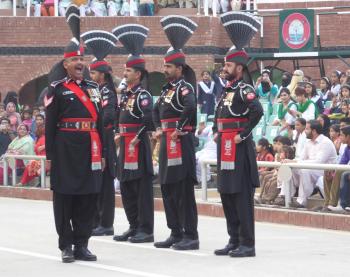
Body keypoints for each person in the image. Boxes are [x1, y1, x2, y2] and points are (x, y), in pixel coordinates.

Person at [45, 5, 104, 263]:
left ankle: (82, 243)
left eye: (82, 59)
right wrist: (49, 156)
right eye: (75, 60)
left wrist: (103, 153)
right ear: (66, 63)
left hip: (90, 148)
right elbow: (49, 125)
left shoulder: (94, 89)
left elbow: (101, 124)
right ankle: (66, 245)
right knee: (65, 197)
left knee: (88, 198)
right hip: (65, 150)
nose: (80, 63)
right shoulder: (56, 90)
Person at [213, 12, 263, 258]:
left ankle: (247, 243)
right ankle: (233, 239)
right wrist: (215, 132)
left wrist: (242, 135)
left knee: (241, 197)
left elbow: (258, 112)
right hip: (224, 147)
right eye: (225, 64)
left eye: (228, 65)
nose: (225, 68)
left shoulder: (245, 89)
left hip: (239, 148)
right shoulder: (226, 91)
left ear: (239, 68)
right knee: (227, 194)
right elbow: (218, 116)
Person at [153, 15, 199, 251]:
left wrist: (179, 128)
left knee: (182, 190)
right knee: (168, 188)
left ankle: (190, 235)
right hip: (167, 143)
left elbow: (191, 107)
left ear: (179, 68)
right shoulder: (166, 90)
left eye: (168, 66)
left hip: (181, 142)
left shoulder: (185, 87)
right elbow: (154, 110)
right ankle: (175, 232)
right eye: (164, 65)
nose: (165, 69)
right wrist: (159, 128)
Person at [112, 24, 154, 243]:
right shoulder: (127, 94)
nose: (124, 73)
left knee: (141, 189)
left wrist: (136, 138)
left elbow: (148, 119)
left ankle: (146, 229)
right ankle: (133, 225)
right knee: (127, 187)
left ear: (137, 73)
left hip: (137, 145)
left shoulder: (142, 95)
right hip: (125, 143)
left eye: (128, 70)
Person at [82, 30, 118, 237]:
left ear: (102, 75)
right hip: (95, 140)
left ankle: (106, 223)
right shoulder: (95, 91)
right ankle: (96, 220)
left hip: (104, 140)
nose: (91, 76)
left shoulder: (107, 92)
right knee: (96, 182)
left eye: (93, 73)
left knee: (105, 184)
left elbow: (108, 117)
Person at [280, 120, 337, 208]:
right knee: (287, 167)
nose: (305, 131)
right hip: (311, 169)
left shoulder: (326, 142)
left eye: (307, 129)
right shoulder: (308, 142)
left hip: (324, 172)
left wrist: (296, 162)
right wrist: (289, 161)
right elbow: (301, 159)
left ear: (314, 131)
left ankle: (302, 201)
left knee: (304, 170)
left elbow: (319, 162)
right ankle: (284, 196)